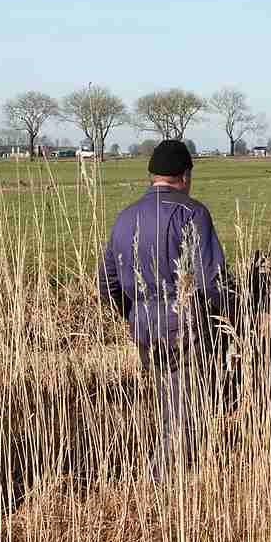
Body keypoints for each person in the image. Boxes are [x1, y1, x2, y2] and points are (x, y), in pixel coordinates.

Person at [98, 140, 226, 481]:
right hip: (181, 321)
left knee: (168, 403)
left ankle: (173, 477)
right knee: (186, 412)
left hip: (141, 322)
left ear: (153, 175)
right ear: (184, 176)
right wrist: (224, 316)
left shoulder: (125, 216)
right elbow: (211, 279)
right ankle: (160, 486)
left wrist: (132, 313)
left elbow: (108, 280)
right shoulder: (192, 213)